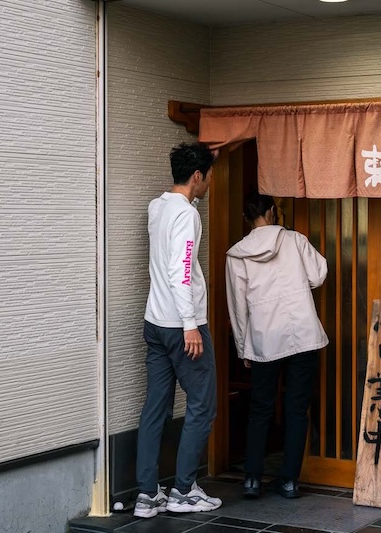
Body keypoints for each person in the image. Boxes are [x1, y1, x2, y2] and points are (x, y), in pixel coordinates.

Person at [134, 142, 222, 518]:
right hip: (180, 325)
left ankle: (147, 494)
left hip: (154, 322)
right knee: (203, 405)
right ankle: (184, 490)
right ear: (198, 176)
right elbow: (181, 270)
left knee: (156, 408)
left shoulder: (159, 206)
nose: (210, 184)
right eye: (208, 177)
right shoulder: (185, 215)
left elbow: (170, 253)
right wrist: (190, 326)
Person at [225, 193, 328, 499]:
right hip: (302, 333)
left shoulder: (238, 254)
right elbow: (319, 275)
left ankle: (252, 479)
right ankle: (289, 481)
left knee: (260, 409)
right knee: (297, 409)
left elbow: (237, 306)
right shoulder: (295, 241)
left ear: (247, 218)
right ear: (272, 212)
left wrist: (244, 346)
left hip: (264, 338)